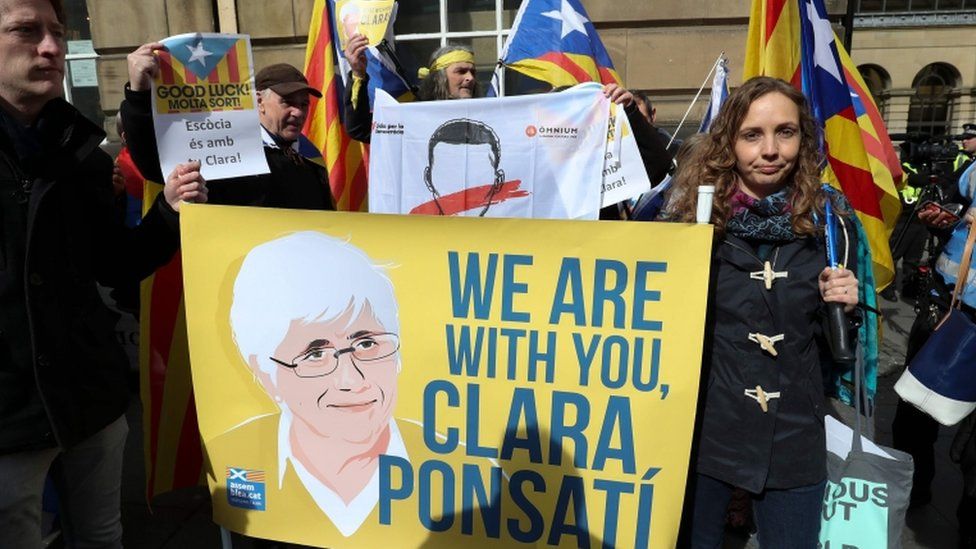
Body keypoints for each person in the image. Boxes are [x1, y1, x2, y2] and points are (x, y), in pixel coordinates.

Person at [0, 0, 206, 546]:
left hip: (91, 404)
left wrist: (168, 214)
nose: (50, 48)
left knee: (101, 537)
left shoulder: (84, 157)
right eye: (25, 31)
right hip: (9, 422)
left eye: (57, 33)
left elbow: (118, 265)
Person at [662, 76, 860, 547]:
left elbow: (848, 360)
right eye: (752, 135)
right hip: (703, 431)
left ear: (803, 138)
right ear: (729, 142)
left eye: (785, 132)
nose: (770, 150)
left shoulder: (834, 224)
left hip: (793, 431)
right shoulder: (692, 222)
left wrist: (849, 308)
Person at [122, 47, 335, 211]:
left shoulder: (310, 156)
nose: (298, 112)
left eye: (304, 104)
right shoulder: (228, 150)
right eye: (287, 102)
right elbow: (155, 166)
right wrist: (139, 94)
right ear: (259, 101)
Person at [891, 158, 976, 547]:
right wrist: (940, 219)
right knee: (912, 415)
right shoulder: (972, 169)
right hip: (945, 310)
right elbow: (957, 211)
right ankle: (915, 489)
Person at [343, 39, 478, 143]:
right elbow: (360, 129)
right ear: (439, 78)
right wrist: (358, 74)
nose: (470, 78)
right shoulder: (414, 115)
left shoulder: (482, 114)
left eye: (473, 72)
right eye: (461, 71)